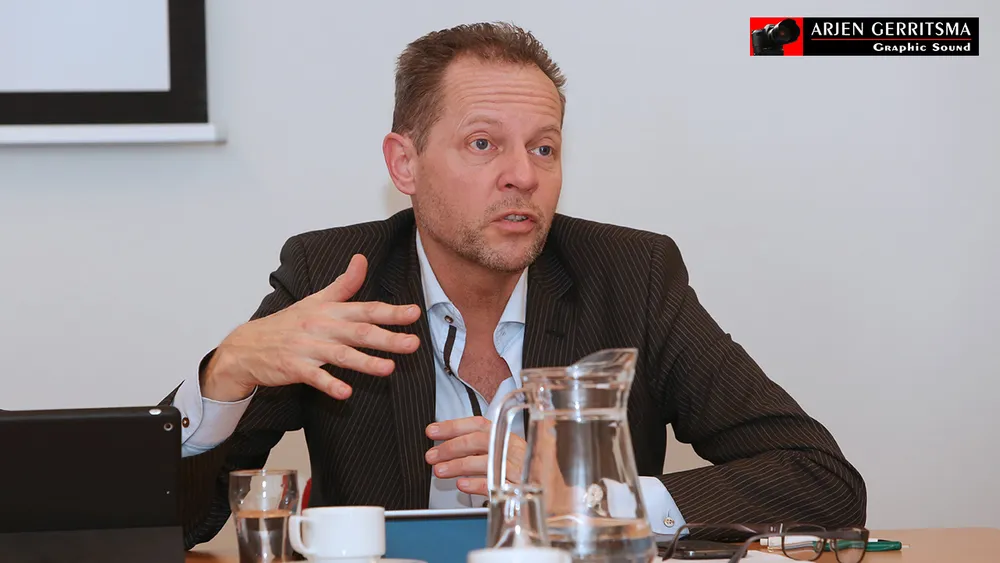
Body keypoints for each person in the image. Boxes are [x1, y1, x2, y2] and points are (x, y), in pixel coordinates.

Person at [163, 22, 866, 549]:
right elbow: (172, 521)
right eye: (483, 144)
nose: (524, 176)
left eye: (543, 147)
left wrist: (587, 493)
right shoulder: (335, 279)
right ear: (405, 164)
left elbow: (822, 481)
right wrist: (225, 376)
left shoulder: (632, 276)